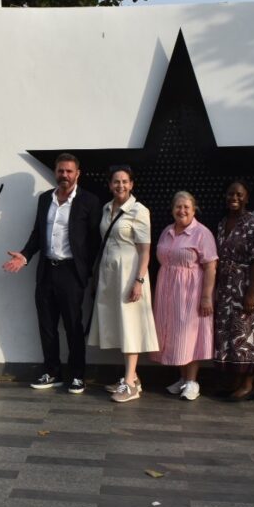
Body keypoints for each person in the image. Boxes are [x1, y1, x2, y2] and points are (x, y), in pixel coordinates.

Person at [2, 153, 101, 393]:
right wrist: (25, 256)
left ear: (78, 174)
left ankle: (77, 375)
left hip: (71, 273)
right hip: (46, 271)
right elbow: (37, 234)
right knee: (46, 325)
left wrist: (84, 271)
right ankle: (51, 372)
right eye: (60, 171)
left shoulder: (89, 201)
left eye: (69, 171)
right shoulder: (45, 199)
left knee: (73, 326)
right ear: (55, 173)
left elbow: (94, 241)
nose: (64, 175)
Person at [87, 165, 159, 402]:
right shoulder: (107, 208)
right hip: (111, 275)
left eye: (125, 181)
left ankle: (129, 385)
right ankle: (133, 377)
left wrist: (139, 281)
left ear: (132, 184)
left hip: (130, 274)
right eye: (116, 181)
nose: (121, 185)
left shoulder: (139, 210)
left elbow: (145, 251)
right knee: (119, 324)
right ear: (110, 185)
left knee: (130, 325)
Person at [152, 191, 217, 401]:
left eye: (186, 207)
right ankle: (182, 379)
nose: (182, 211)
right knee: (174, 334)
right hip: (167, 290)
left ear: (194, 209)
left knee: (189, 336)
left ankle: (192, 381)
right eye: (178, 207)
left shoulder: (202, 233)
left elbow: (210, 267)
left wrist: (206, 297)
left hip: (190, 292)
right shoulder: (167, 231)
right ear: (172, 209)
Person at [212, 181, 254, 401]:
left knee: (248, 334)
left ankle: (248, 385)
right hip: (225, 287)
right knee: (229, 334)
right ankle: (235, 382)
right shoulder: (222, 223)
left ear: (246, 198)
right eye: (230, 194)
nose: (234, 198)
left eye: (239, 194)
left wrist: (252, 292)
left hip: (245, 285)